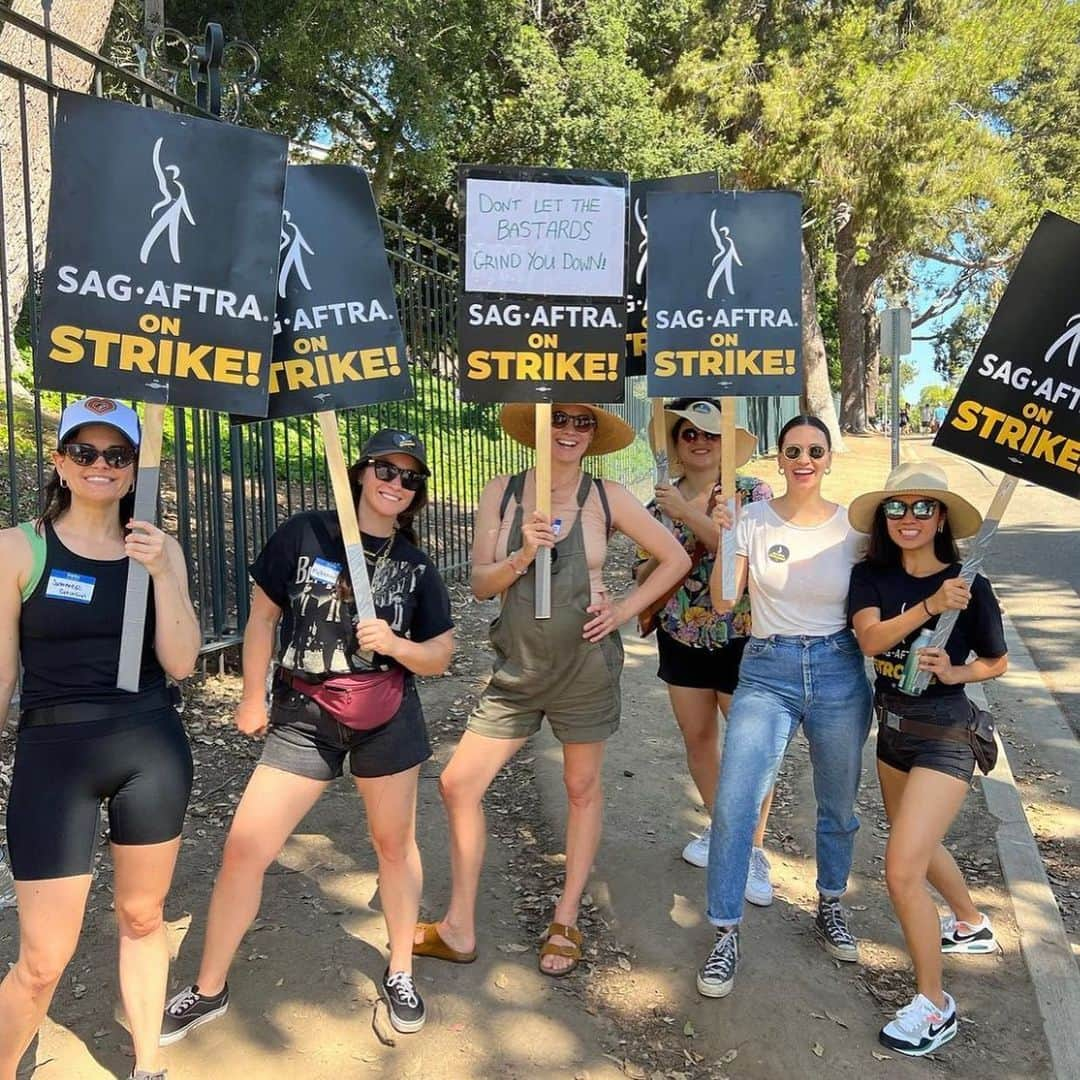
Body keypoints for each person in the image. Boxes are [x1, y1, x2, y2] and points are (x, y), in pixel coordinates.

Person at [160, 430, 454, 1039]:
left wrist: (396, 645)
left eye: (409, 478)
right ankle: (208, 988)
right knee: (246, 846)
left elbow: (441, 654)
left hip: (388, 715)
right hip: (304, 714)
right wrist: (250, 694)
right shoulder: (304, 534)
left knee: (394, 845)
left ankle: (400, 970)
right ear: (360, 472)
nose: (395, 484)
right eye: (385, 470)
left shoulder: (415, 565)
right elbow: (263, 617)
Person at [414, 403, 690, 976]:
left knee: (581, 785)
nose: (569, 430)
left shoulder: (607, 495)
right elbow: (482, 585)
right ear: (540, 428)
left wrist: (621, 610)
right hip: (518, 670)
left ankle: (566, 918)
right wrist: (522, 553)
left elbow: (675, 558)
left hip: (584, 668)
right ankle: (458, 925)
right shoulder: (504, 492)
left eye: (582, 422)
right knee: (458, 784)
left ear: (593, 435)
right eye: (558, 418)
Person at [0, 397, 200, 1080]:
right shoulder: (17, 547)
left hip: (150, 746)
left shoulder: (156, 548)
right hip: (55, 759)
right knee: (42, 960)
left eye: (117, 454)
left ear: (135, 467)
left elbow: (181, 662)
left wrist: (164, 572)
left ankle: (148, 1066)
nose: (100, 465)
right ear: (59, 461)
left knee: (144, 918)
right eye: (84, 451)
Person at [696, 414, 872, 1000]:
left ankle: (830, 902)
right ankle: (725, 930)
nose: (804, 459)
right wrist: (722, 533)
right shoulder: (749, 519)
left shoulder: (856, 529)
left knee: (838, 802)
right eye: (793, 450)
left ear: (828, 459)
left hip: (838, 667)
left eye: (814, 451)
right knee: (735, 800)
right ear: (778, 458)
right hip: (767, 668)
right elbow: (724, 601)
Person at [847, 463, 1006, 1056]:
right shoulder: (871, 576)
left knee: (901, 869)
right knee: (913, 842)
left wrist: (957, 669)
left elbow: (996, 662)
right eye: (897, 508)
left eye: (922, 508)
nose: (908, 519)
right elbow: (869, 640)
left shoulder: (971, 584)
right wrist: (929, 606)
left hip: (946, 733)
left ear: (941, 518)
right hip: (891, 731)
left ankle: (936, 1005)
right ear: (883, 518)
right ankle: (968, 922)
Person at [634, 399, 775, 901]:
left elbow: (750, 556)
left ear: (726, 442)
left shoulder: (753, 493)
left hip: (743, 635)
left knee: (750, 750)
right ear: (675, 442)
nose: (699, 441)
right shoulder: (656, 501)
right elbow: (642, 571)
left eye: (710, 434)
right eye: (688, 433)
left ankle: (752, 851)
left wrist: (687, 516)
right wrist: (662, 545)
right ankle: (726, 833)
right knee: (698, 740)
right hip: (681, 635)